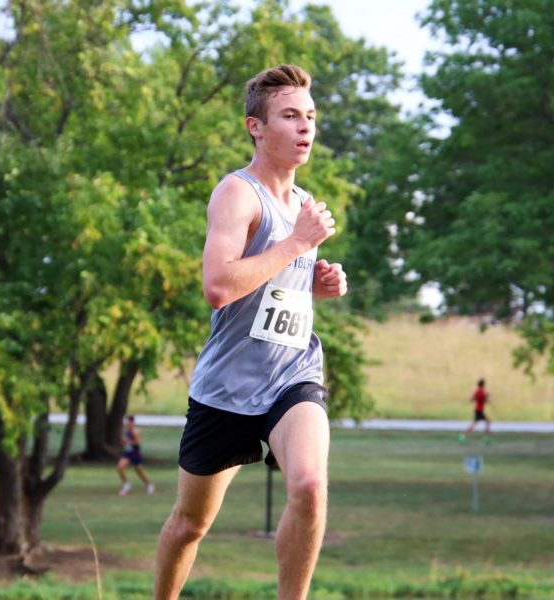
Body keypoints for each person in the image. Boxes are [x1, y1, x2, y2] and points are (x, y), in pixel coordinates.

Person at [153, 64, 347, 600]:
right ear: (255, 127)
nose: (305, 127)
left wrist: (319, 281)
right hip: (227, 389)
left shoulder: (302, 204)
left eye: (310, 116)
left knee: (308, 485)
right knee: (191, 524)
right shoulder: (237, 195)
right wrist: (297, 245)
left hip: (293, 374)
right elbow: (218, 286)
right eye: (290, 116)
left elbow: (279, 285)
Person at [117, 415, 155, 495]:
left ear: (132, 422)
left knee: (139, 471)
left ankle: (149, 484)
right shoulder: (127, 431)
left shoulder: (135, 431)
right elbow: (125, 442)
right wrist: (123, 441)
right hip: (127, 453)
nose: (126, 423)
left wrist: (127, 441)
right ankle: (126, 485)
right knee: (120, 467)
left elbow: (137, 442)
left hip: (135, 453)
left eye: (127, 422)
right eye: (126, 422)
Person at [459, 379, 491, 443]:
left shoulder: (476, 391)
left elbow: (472, 399)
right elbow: (487, 401)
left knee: (485, 422)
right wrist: (488, 396)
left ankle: (464, 435)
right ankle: (463, 435)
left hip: (477, 410)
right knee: (476, 424)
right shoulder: (482, 392)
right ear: (483, 385)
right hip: (479, 410)